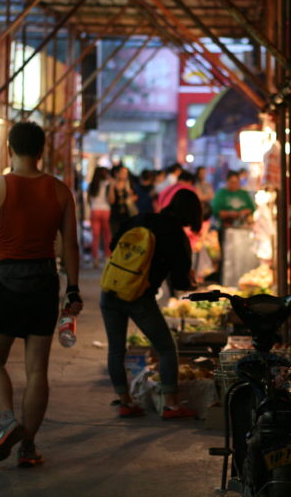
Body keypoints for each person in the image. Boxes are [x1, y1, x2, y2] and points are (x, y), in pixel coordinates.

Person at [0, 121, 83, 467]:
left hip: (6, 284)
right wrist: (72, 288)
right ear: (42, 151)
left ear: (9, 149)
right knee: (36, 372)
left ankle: (8, 421)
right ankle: (28, 447)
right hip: (44, 284)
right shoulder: (60, 191)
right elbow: (70, 245)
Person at [100, 189, 202, 419]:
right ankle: (172, 405)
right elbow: (180, 282)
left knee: (116, 349)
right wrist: (191, 281)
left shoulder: (142, 218)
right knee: (166, 348)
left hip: (111, 289)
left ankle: (125, 401)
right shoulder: (177, 236)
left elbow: (113, 244)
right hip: (138, 298)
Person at [212, 171, 258, 286]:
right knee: (226, 258)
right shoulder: (221, 194)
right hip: (225, 229)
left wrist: (242, 213)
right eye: (232, 182)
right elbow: (217, 211)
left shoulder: (243, 193)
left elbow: (251, 208)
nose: (234, 185)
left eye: (236, 182)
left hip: (243, 229)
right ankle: (225, 282)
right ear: (227, 182)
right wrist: (230, 214)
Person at [87, 167, 112, 268]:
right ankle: (107, 257)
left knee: (95, 236)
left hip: (94, 210)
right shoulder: (108, 184)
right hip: (106, 210)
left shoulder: (91, 185)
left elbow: (88, 200)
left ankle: (95, 259)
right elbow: (110, 198)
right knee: (107, 236)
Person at [108, 166, 138, 237]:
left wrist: (130, 195)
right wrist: (111, 188)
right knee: (116, 237)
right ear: (117, 174)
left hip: (127, 216)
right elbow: (111, 201)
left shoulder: (129, 184)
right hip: (115, 217)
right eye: (123, 173)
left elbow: (135, 198)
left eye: (126, 173)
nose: (125, 175)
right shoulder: (112, 185)